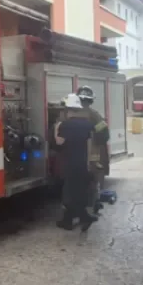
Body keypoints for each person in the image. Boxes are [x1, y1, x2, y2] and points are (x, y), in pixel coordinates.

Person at [54, 93, 98, 232]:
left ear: (68, 110)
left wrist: (56, 128)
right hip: (83, 162)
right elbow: (91, 142)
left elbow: (59, 143)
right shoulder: (87, 124)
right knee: (79, 191)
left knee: (69, 192)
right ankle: (82, 217)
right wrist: (91, 162)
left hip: (70, 163)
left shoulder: (65, 125)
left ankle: (70, 221)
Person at [75, 85, 110, 213]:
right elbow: (104, 134)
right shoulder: (94, 115)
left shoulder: (70, 114)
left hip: (75, 155)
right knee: (94, 179)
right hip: (93, 154)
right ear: (91, 101)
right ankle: (93, 204)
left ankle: (77, 207)